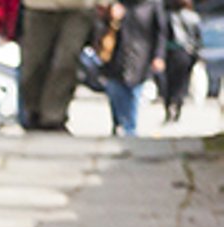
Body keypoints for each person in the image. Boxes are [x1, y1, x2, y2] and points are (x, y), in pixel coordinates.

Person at [20, 0, 100, 130]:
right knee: (34, 62)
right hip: (39, 7)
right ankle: (33, 111)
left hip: (79, 8)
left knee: (67, 61)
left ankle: (53, 116)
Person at [100, 0, 169, 134]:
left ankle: (129, 128)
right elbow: (99, 25)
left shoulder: (153, 4)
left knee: (133, 91)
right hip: (116, 53)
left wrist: (159, 56)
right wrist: (110, 16)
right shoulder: (116, 3)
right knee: (115, 88)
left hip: (140, 56)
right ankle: (119, 123)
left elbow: (161, 33)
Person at [163, 0, 204, 123]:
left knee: (168, 81)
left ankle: (169, 104)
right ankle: (177, 103)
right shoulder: (194, 17)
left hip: (169, 51)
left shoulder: (167, 16)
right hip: (186, 52)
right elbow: (198, 38)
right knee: (182, 82)